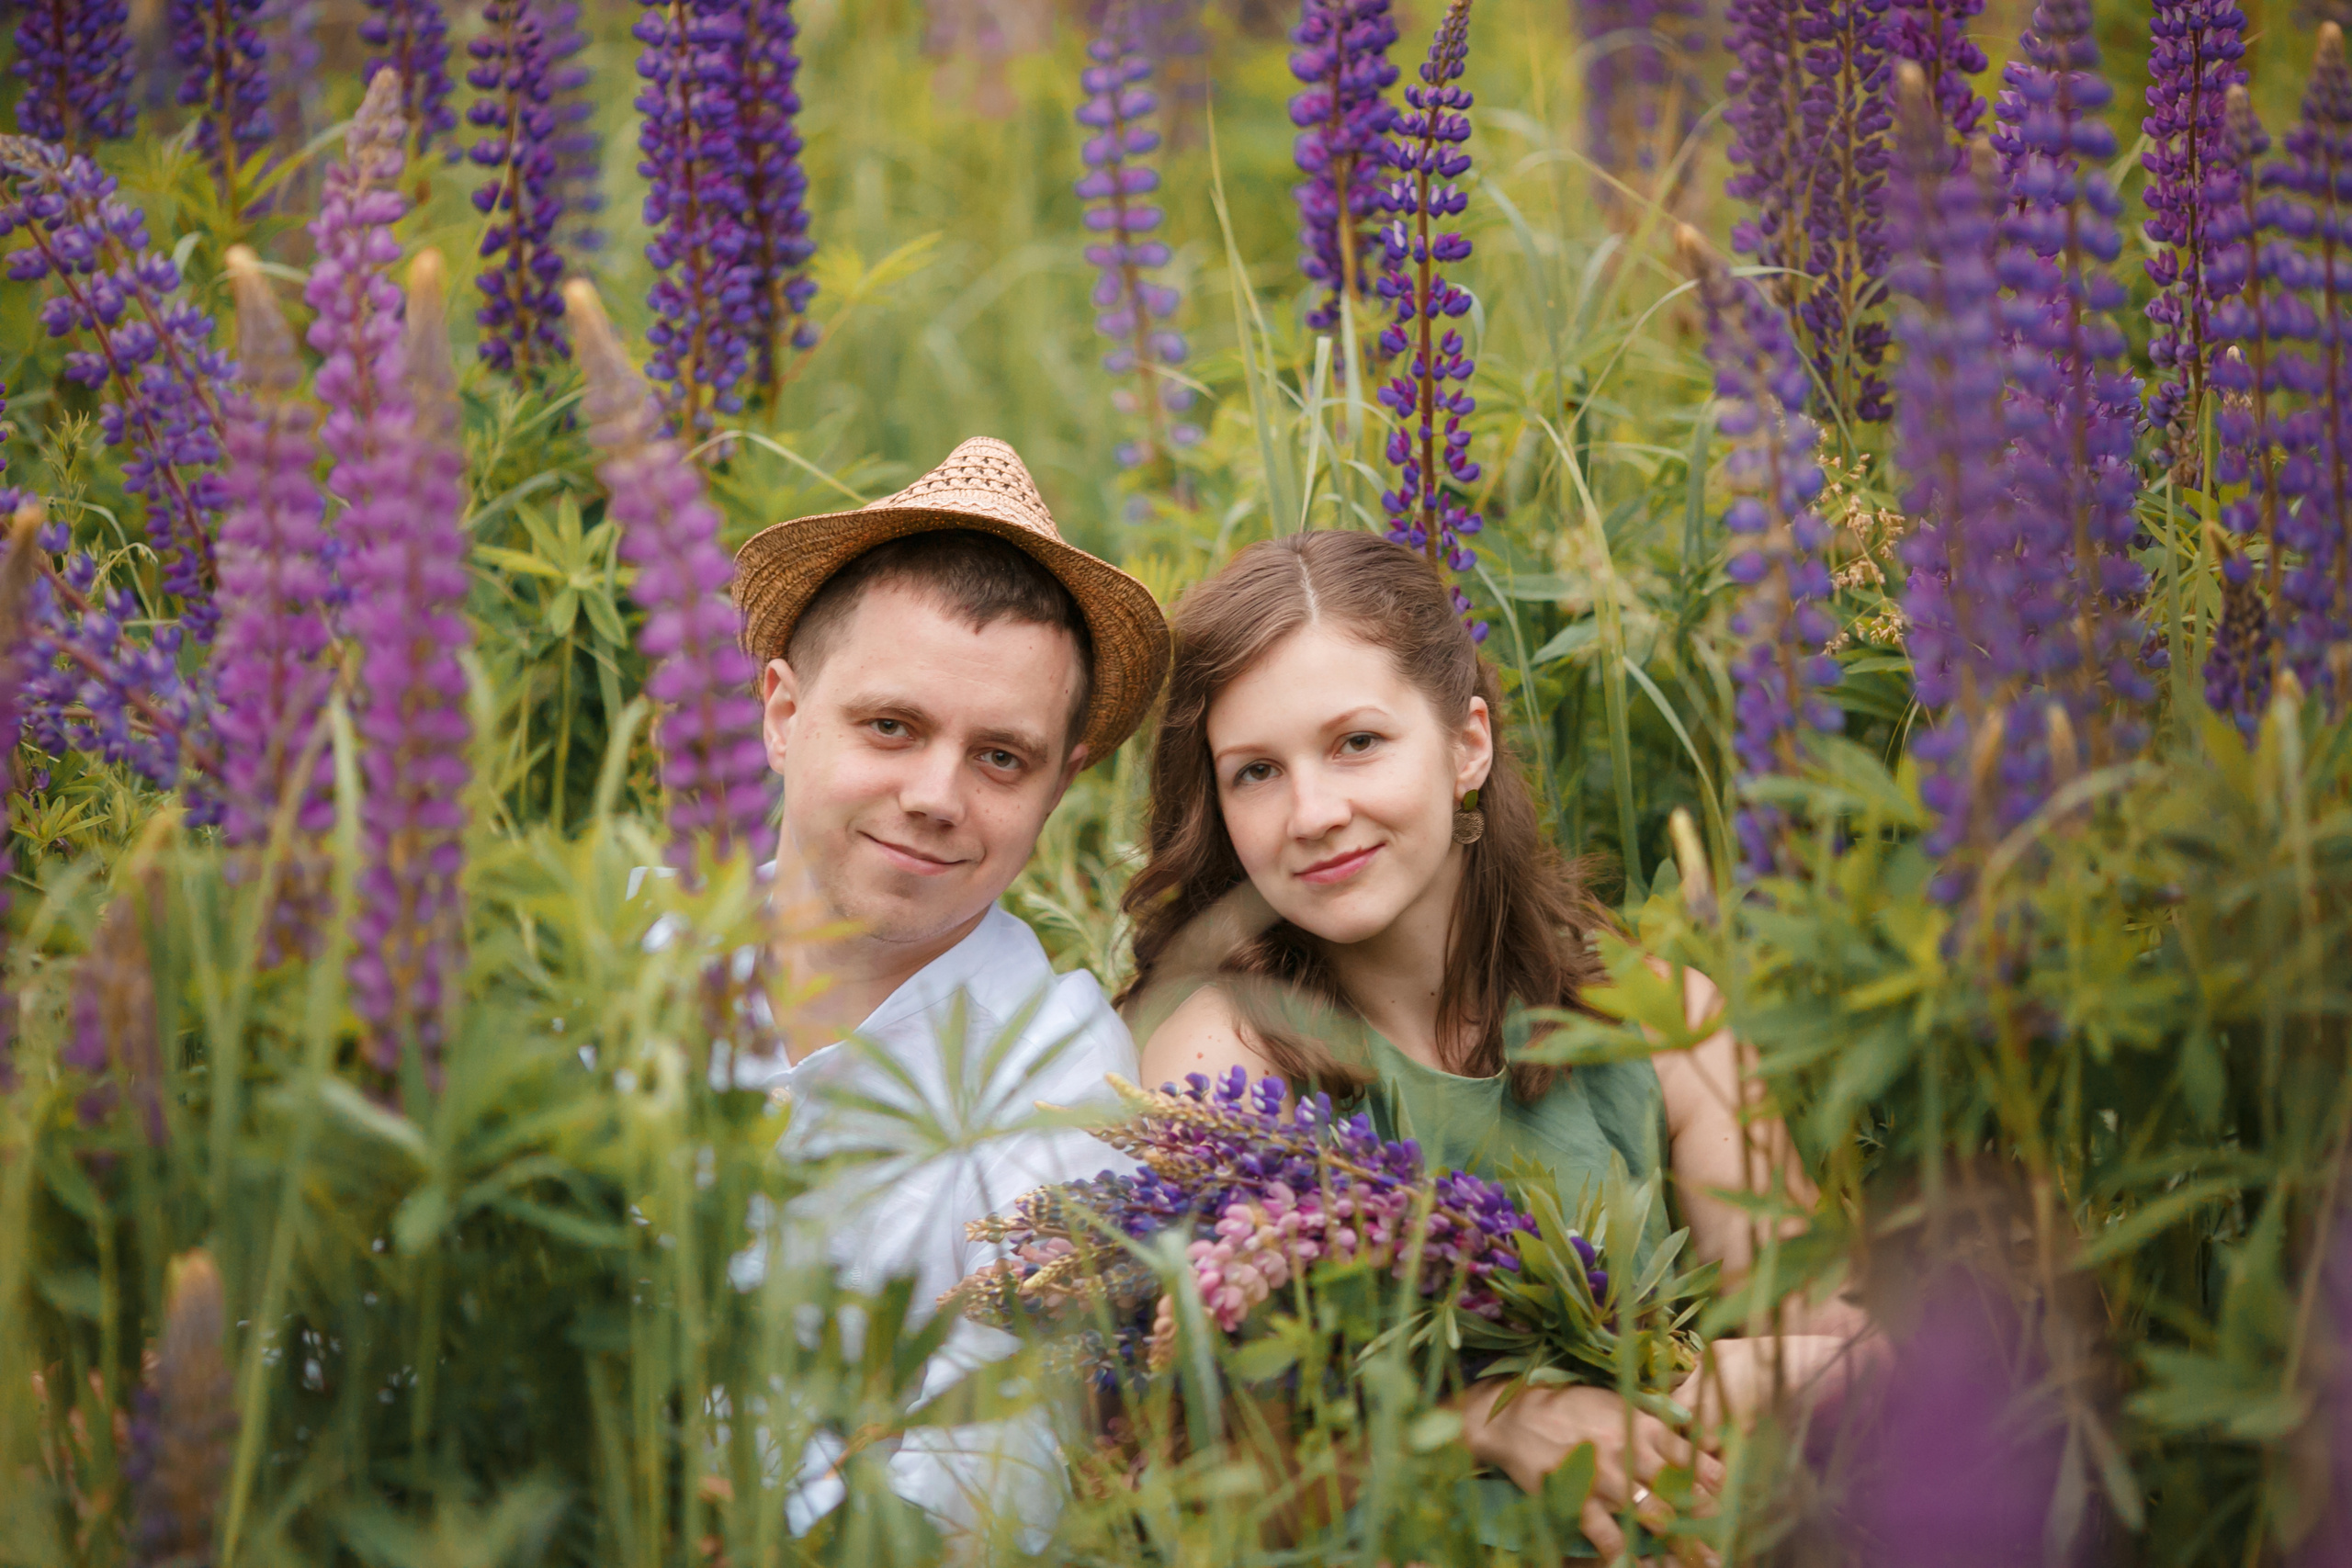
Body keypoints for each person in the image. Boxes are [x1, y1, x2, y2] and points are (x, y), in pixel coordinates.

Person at [1118, 530, 1872, 1560]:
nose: (1314, 812)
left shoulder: (1659, 1021)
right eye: (1255, 771)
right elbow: (1219, 1475)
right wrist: (1495, 1421)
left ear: (1467, 743)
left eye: (1357, 743)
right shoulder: (1228, 1055)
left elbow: (1851, 1348)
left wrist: (1699, 1384)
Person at [727, 436, 1170, 1542]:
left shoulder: (1064, 1081)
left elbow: (974, 1497)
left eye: (1000, 758)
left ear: (1060, 784)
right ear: (783, 712)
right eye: (892, 726)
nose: (935, 795)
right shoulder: (613, 957)